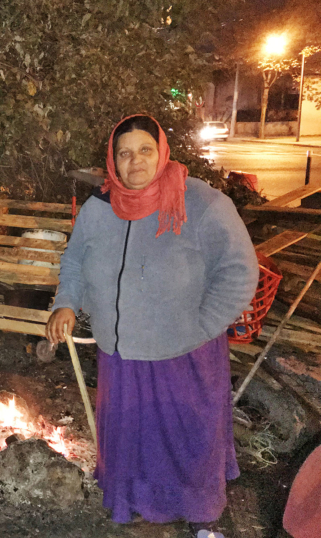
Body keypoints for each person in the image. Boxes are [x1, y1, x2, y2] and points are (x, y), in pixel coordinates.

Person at [46, 115, 259, 537]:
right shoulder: (100, 206)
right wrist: (66, 302)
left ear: (162, 153)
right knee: (133, 439)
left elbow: (239, 272)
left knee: (188, 440)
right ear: (113, 160)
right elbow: (74, 260)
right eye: (124, 154)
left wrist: (201, 326)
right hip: (121, 353)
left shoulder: (200, 203)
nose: (135, 162)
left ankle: (201, 519)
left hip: (184, 353)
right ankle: (136, 506)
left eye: (145, 150)